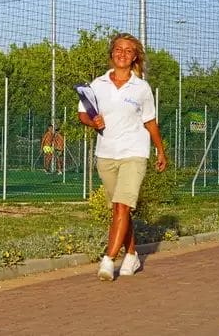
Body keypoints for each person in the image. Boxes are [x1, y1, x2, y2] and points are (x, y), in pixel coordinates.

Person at [78, 32, 167, 281]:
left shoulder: (141, 88)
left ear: (135, 56)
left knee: (122, 205)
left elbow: (150, 121)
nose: (123, 54)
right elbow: (82, 114)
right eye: (119, 49)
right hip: (106, 154)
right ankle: (131, 253)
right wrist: (92, 122)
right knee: (119, 210)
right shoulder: (97, 85)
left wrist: (160, 150)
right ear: (111, 53)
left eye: (129, 50)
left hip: (134, 152)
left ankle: (108, 259)